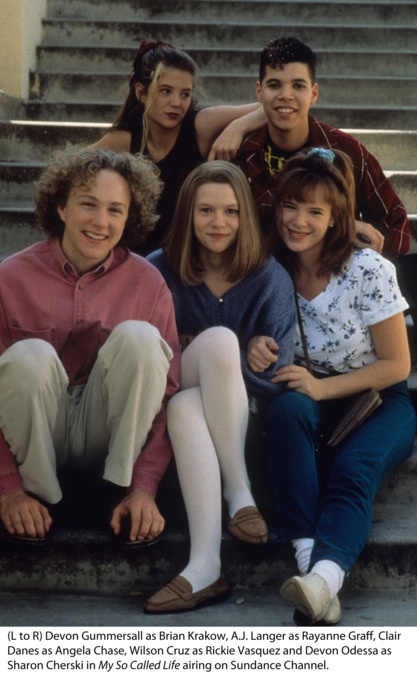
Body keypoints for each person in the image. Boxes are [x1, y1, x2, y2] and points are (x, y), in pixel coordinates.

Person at [248, 147, 416, 625]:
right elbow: (245, 324)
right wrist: (253, 343)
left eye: (314, 211)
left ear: (336, 216)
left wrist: (323, 390)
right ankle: (312, 573)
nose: (298, 221)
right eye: (290, 206)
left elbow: (397, 364)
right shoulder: (267, 267)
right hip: (307, 391)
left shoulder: (368, 270)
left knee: (352, 467)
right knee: (285, 412)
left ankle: (323, 576)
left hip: (377, 398)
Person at [0, 149, 180, 546]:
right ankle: (40, 497)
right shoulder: (9, 279)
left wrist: (145, 487)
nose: (101, 221)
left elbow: (167, 397)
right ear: (61, 207)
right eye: (88, 204)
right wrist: (7, 489)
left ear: (129, 217)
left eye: (115, 210)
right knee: (29, 357)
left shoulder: (148, 284)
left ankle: (116, 492)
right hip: (36, 438)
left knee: (141, 339)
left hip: (106, 436)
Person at [143, 161, 296, 612]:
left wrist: (238, 360)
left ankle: (205, 565)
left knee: (188, 404)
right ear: (188, 214)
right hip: (167, 389)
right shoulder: (158, 270)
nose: (219, 223)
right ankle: (239, 491)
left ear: (245, 215)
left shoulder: (269, 276)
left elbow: (276, 374)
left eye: (231, 211)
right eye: (206, 210)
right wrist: (228, 350)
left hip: (240, 416)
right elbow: (149, 358)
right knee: (219, 344)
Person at [234, 37, 411, 257]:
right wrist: (235, 128)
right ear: (259, 91)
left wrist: (360, 258)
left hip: (330, 271)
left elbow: (396, 223)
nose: (286, 95)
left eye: (298, 86)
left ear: (314, 93)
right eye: (274, 85)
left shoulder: (348, 152)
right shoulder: (241, 152)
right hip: (260, 271)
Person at [91, 39, 266, 254]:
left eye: (185, 94)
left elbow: (273, 106)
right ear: (141, 92)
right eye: (165, 91)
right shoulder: (123, 141)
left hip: (188, 258)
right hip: (135, 261)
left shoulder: (200, 125)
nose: (177, 103)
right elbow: (69, 175)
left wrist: (237, 127)